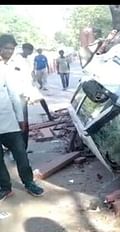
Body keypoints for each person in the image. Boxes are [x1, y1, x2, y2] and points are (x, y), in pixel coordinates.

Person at [0, 34, 44, 201]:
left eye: (11, 48)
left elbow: (13, 94)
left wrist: (20, 118)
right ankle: (5, 187)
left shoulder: (6, 68)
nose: (9, 52)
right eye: (6, 48)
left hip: (9, 120)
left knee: (20, 153)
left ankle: (29, 182)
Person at [15, 43, 56, 151]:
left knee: (41, 99)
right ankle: (20, 148)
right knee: (23, 122)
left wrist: (34, 80)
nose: (30, 53)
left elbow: (31, 72)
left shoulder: (27, 60)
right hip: (19, 90)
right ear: (24, 49)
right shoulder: (16, 59)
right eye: (29, 50)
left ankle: (49, 116)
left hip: (29, 86)